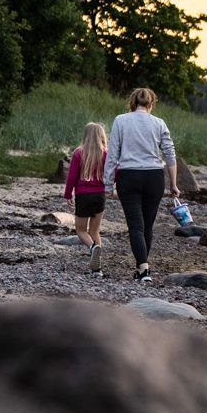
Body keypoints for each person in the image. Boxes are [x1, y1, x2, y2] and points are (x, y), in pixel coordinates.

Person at [103, 88, 178, 282]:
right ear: (151, 104)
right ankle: (142, 267)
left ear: (133, 102)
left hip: (129, 176)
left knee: (136, 226)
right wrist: (174, 184)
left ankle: (143, 269)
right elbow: (170, 154)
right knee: (148, 226)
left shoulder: (121, 120)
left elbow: (113, 154)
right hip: (154, 177)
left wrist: (108, 183)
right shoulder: (159, 123)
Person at [63, 122, 108, 273]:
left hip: (83, 196)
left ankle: (93, 247)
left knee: (81, 230)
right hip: (100, 196)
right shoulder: (105, 153)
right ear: (101, 137)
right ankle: (98, 268)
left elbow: (72, 177)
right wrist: (111, 185)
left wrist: (68, 194)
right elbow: (116, 171)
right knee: (95, 231)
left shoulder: (78, 153)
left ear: (86, 136)